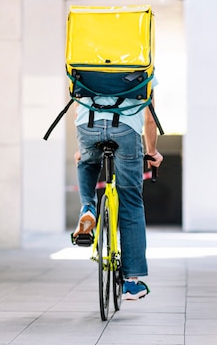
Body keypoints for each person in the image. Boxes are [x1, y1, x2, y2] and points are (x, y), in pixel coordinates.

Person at [72, 88, 163, 300]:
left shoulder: (84, 57)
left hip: (88, 127)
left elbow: (78, 105)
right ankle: (131, 283)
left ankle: (88, 207)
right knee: (131, 203)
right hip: (126, 129)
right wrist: (152, 151)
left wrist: (83, 148)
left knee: (86, 162)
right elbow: (150, 118)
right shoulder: (142, 61)